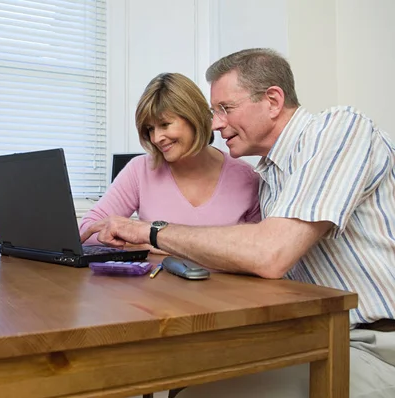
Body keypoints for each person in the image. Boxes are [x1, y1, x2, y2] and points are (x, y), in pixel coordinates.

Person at [81, 48, 395, 397]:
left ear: (273, 101)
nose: (215, 123)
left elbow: (268, 255)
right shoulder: (271, 177)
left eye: (225, 109)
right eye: (215, 111)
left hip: (374, 341)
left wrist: (152, 232)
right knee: (179, 378)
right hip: (312, 331)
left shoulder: (340, 129)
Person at [80, 72, 260, 252]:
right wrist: (142, 242)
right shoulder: (140, 170)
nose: (157, 138)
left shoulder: (248, 178)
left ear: (194, 117)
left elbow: (257, 249)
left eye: (165, 124)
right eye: (150, 129)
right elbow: (86, 230)